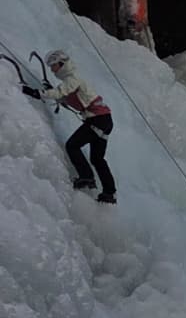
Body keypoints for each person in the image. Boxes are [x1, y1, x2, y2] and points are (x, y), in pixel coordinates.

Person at [23, 49, 117, 203]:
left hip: (97, 120)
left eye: (53, 66)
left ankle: (87, 177)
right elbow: (65, 97)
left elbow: (61, 92)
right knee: (97, 159)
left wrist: (36, 93)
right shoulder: (72, 80)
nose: (52, 69)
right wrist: (52, 93)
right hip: (104, 120)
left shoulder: (72, 78)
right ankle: (109, 193)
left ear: (61, 64)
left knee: (72, 145)